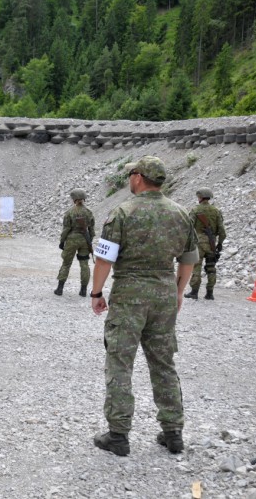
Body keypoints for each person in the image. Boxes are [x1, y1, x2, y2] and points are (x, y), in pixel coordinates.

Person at [90, 156, 198, 457]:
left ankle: (119, 435)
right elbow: (188, 260)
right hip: (164, 292)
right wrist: (177, 293)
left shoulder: (122, 213)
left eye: (131, 175)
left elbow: (104, 260)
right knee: (164, 363)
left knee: (120, 362)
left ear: (138, 178)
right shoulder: (181, 214)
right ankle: (173, 432)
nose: (129, 179)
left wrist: (97, 292)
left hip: (129, 294)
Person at [185, 188, 226, 300]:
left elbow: (189, 227)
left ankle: (194, 292)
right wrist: (220, 243)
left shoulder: (195, 210)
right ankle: (209, 293)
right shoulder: (216, 211)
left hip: (198, 243)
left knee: (196, 266)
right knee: (211, 267)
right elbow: (222, 231)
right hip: (212, 243)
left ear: (200, 197)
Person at [55, 189, 95, 297]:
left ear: (74, 199)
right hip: (84, 240)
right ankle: (83, 290)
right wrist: (89, 241)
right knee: (84, 265)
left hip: (71, 240)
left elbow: (66, 229)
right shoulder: (89, 212)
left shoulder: (69, 212)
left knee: (66, 263)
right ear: (83, 198)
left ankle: (59, 289)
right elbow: (92, 230)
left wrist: (62, 241)